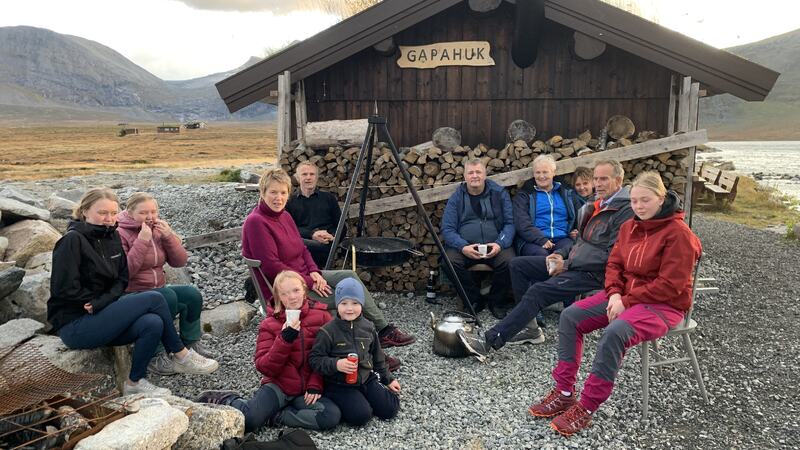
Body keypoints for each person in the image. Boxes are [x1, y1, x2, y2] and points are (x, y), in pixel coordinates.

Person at [527, 171, 702, 436]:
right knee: (571, 316)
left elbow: (670, 285)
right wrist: (615, 294)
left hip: (664, 306)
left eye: (645, 200)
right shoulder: (630, 226)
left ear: (661, 198)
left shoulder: (679, 234)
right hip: (625, 298)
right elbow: (614, 264)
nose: (639, 207)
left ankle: (586, 407)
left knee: (615, 332)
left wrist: (626, 300)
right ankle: (564, 392)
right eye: (634, 201)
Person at [47, 188, 218, 397]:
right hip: (76, 324)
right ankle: (181, 354)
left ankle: (134, 382)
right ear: (84, 212)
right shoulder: (72, 240)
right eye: (102, 213)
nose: (109, 219)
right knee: (155, 298)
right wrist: (98, 302)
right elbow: (63, 289)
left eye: (112, 213)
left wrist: (104, 301)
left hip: (102, 312)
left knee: (152, 322)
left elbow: (121, 279)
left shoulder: (111, 237)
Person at [241, 168, 415, 366]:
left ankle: (383, 330)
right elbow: (273, 268)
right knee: (344, 299)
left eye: (283, 192)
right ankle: (368, 355)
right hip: (284, 290)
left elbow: (302, 249)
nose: (278, 198)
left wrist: (314, 272)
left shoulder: (284, 216)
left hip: (304, 277)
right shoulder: (257, 222)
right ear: (262, 193)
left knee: (348, 277)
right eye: (273, 192)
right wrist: (309, 282)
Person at [458, 159, 633, 353]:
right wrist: (559, 254)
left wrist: (566, 264)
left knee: (538, 292)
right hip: (575, 262)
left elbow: (612, 256)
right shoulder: (596, 203)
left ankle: (489, 341)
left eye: (604, 179)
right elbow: (580, 240)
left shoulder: (625, 211)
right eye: (596, 179)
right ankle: (531, 328)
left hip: (595, 274)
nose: (598, 184)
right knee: (517, 265)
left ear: (619, 180)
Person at [195, 271, 341, 432]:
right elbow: (265, 367)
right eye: (284, 294)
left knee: (330, 416)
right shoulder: (269, 324)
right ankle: (229, 399)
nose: (292, 297)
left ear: (305, 290)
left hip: (307, 389)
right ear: (278, 297)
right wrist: (284, 340)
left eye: (296, 290)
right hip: (279, 385)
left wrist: (315, 383)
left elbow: (328, 356)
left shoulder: (322, 316)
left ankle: (276, 416)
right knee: (250, 421)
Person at [117, 192, 216, 376]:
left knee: (191, 295)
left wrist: (169, 236)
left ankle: (190, 345)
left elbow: (179, 262)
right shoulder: (121, 233)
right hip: (132, 293)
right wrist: (142, 241)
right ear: (130, 213)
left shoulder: (157, 229)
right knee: (167, 296)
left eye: (153, 212)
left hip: (157, 289)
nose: (150, 217)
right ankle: (157, 355)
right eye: (143, 213)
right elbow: (125, 272)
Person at [309, 278, 400, 426]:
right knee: (361, 417)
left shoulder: (369, 327)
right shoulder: (327, 331)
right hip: (339, 384)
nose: (349, 308)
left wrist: (388, 379)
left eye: (355, 303)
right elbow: (314, 359)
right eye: (344, 303)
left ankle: (366, 396)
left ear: (362, 304)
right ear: (337, 305)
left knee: (390, 410)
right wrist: (336, 364)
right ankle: (342, 400)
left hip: (365, 378)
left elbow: (378, 357)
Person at [440, 158, 516, 319]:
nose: (475, 176)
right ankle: (474, 299)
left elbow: (510, 224)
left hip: (495, 244)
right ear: (465, 176)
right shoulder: (457, 197)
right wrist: (462, 246)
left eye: (478, 172)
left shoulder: (499, 194)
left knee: (510, 262)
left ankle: (496, 301)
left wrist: (500, 244)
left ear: (485, 174)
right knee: (449, 261)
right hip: (465, 246)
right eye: (471, 172)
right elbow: (447, 229)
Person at [513, 155, 582, 257]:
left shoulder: (566, 192)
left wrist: (576, 231)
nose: (541, 176)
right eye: (538, 172)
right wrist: (541, 239)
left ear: (553, 173)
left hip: (562, 238)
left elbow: (580, 213)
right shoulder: (525, 194)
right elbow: (521, 222)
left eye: (545, 172)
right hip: (533, 241)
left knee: (568, 252)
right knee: (541, 256)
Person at [285, 161, 344, 268]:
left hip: (326, 245)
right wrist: (312, 234)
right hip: (302, 246)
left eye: (312, 174)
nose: (308, 178)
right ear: (298, 178)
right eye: (304, 174)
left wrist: (331, 236)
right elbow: (289, 228)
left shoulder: (328, 199)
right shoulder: (289, 202)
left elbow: (341, 226)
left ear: (317, 178)